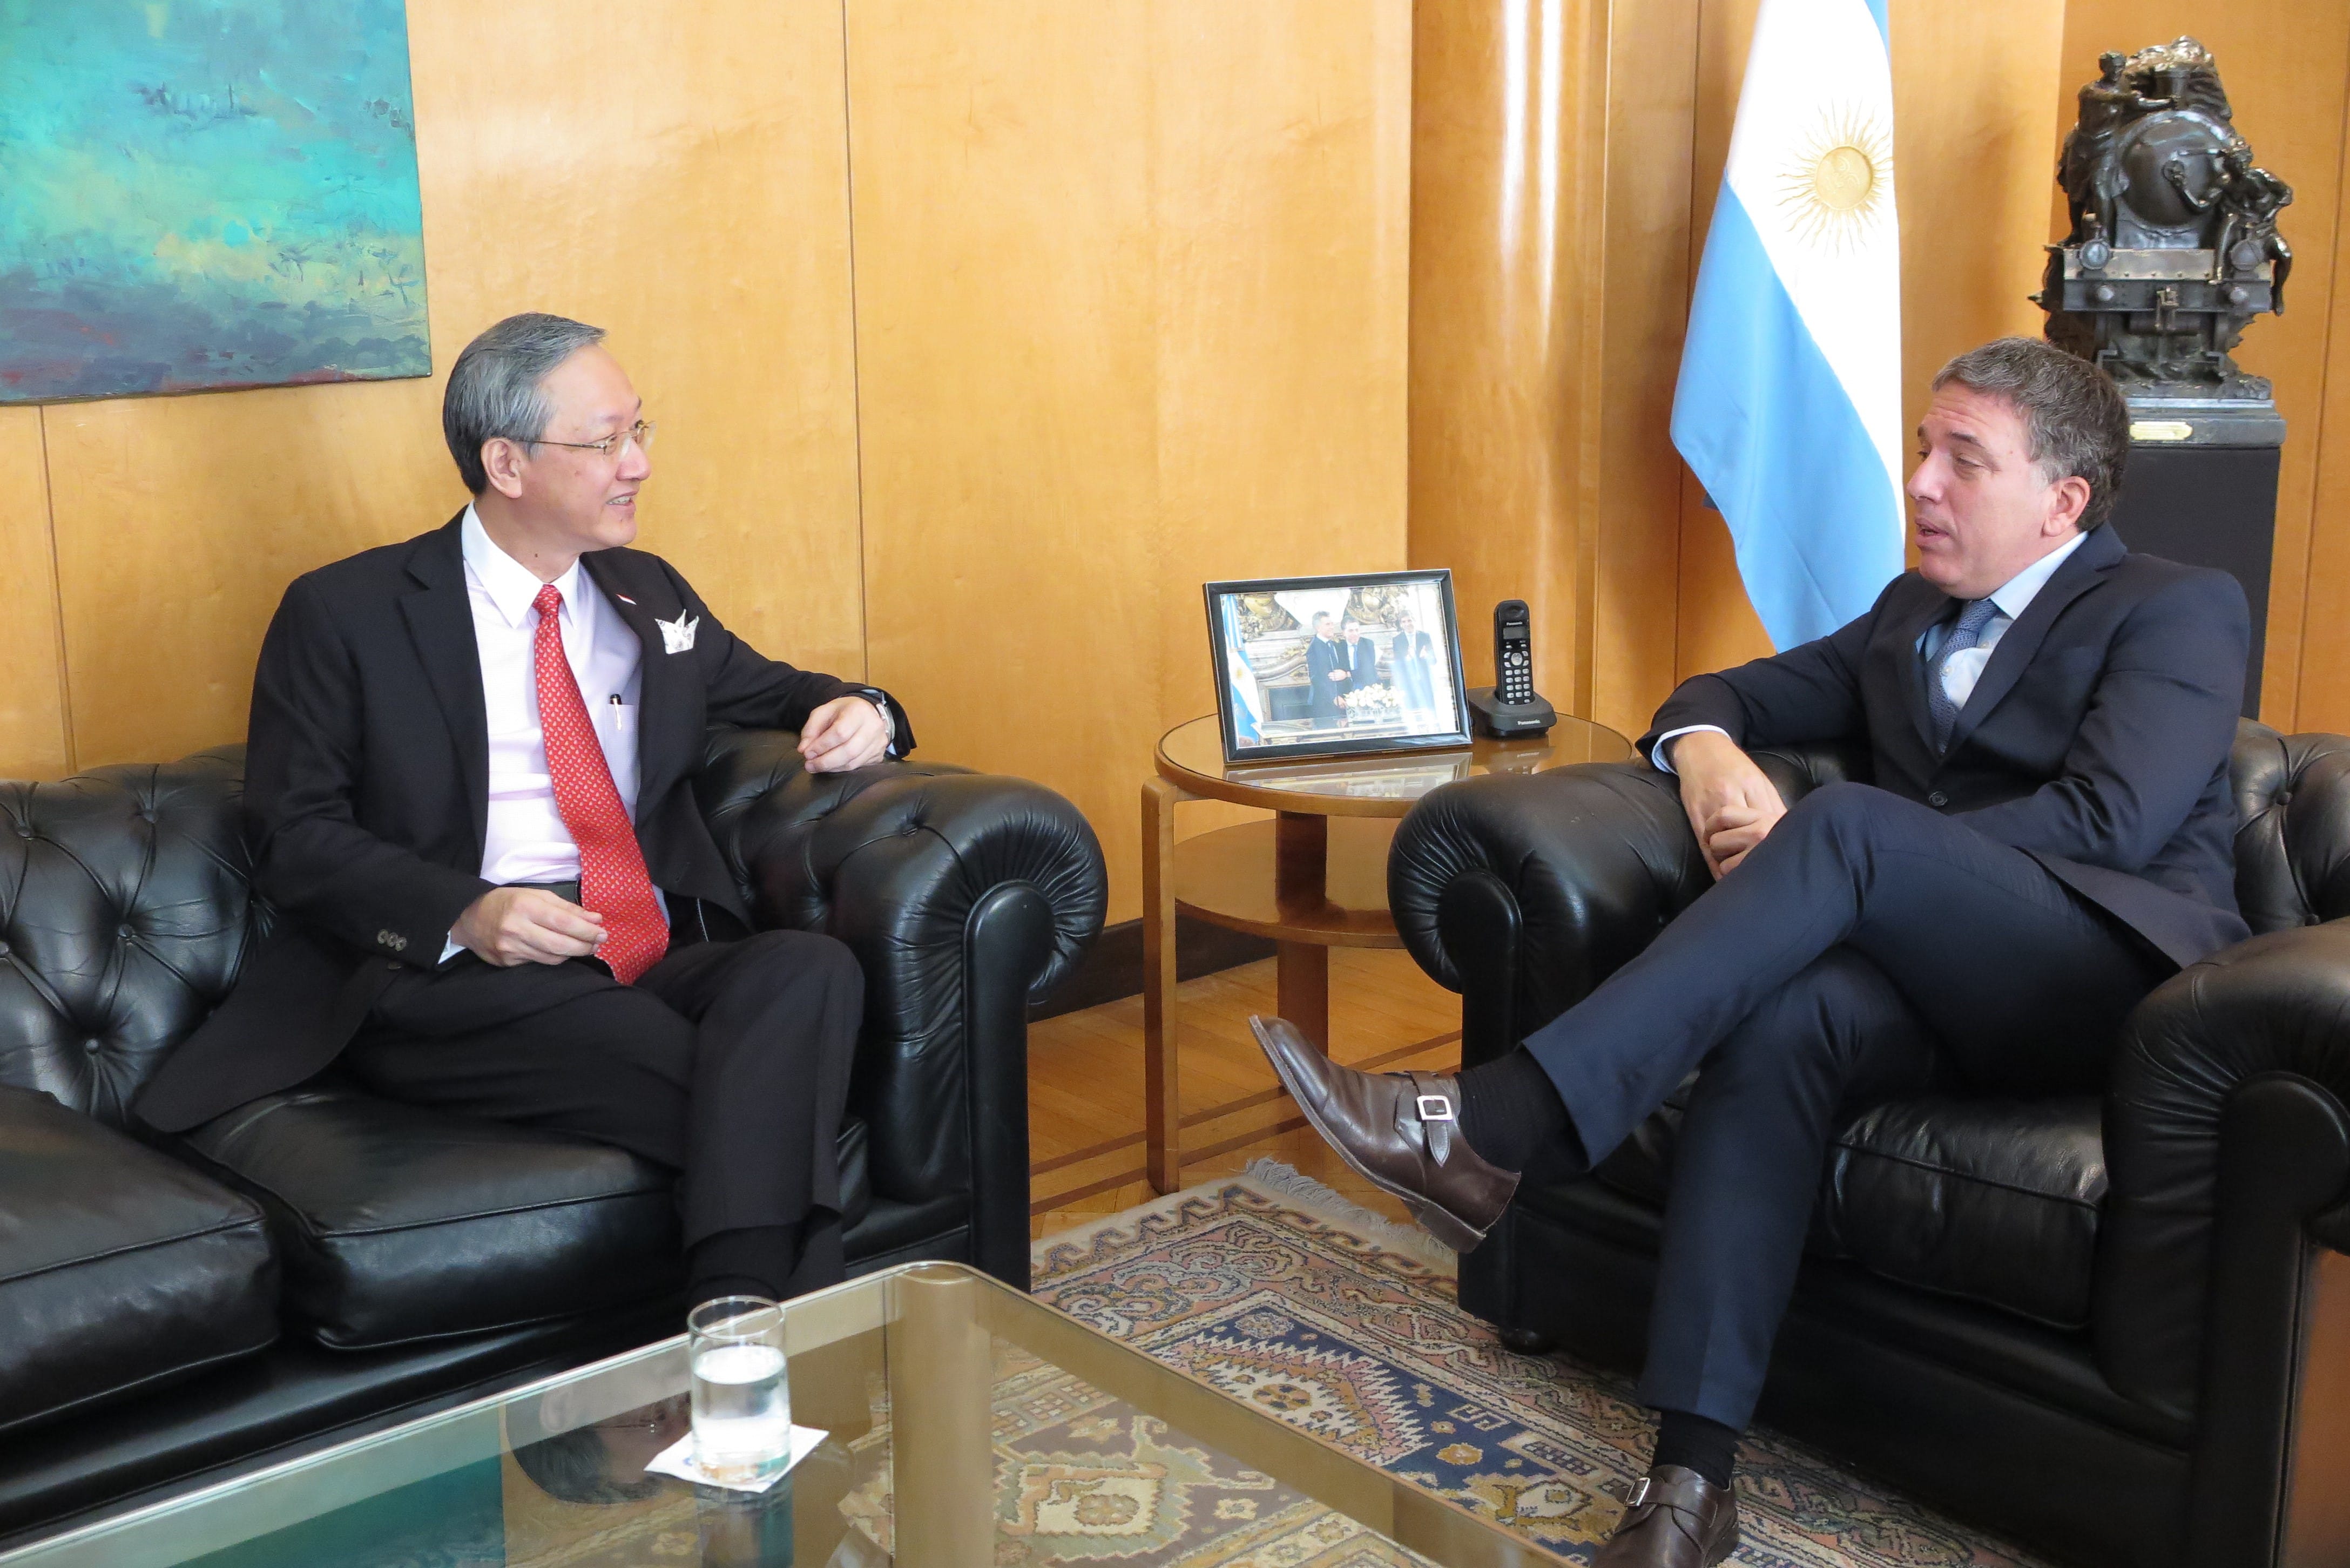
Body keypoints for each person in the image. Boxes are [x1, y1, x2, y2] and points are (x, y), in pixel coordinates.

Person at [1253, 338, 2248, 1566]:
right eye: (1923, 449)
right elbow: (1715, 689)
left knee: (1838, 833)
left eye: (1962, 461)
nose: (1921, 482)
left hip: (2107, 985)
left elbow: (2110, 822)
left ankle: (1494, 1125)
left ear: (2062, 501)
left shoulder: (2174, 604)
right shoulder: (1905, 616)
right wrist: (1706, 751)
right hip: (1935, 991)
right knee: (1787, 1024)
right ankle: (1686, 1486)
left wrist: (1867, 860)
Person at [135, 313, 910, 1308]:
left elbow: (780, 688)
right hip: (450, 972)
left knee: (810, 966)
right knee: (764, 1087)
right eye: (603, 442)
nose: (636, 463)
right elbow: (293, 834)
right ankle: (749, 1328)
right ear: (506, 461)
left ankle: (727, 1335)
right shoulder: (347, 612)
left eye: (641, 431)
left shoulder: (645, 591)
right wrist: (466, 908)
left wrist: (865, 711)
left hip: (641, 945)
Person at [1389, 610, 1437, 724]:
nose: (1407, 624)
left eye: (1409, 620)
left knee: (1431, 714)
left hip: (1426, 682)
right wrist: (1407, 658)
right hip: (1409, 684)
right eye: (1404, 622)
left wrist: (1427, 656)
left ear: (1414, 620)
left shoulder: (1425, 636)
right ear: (1401, 624)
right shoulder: (1397, 640)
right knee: (1414, 717)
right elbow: (1398, 665)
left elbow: (1434, 660)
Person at [1305, 611, 1348, 728]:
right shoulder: (1314, 648)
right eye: (1328, 624)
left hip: (1341, 702)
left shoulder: (1334, 644)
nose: (1332, 627)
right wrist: (1333, 696)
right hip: (1324, 704)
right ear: (1318, 628)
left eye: (1332, 624)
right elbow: (1316, 678)